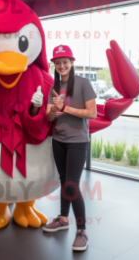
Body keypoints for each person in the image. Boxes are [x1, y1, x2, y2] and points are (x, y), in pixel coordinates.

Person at [43, 45, 97, 252]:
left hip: (78, 142)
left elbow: (91, 113)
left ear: (72, 62)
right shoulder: (53, 88)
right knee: (64, 182)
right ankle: (63, 219)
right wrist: (51, 108)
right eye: (58, 62)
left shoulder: (83, 83)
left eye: (65, 62)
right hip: (59, 140)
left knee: (72, 185)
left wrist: (64, 107)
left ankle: (82, 231)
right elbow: (50, 118)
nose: (62, 65)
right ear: (54, 65)